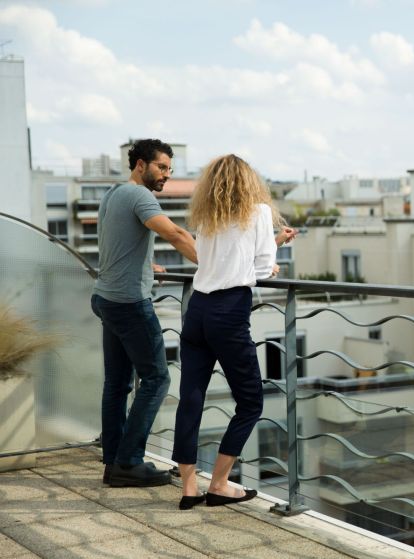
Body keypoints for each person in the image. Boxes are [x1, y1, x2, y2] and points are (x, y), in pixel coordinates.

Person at [172, 154, 296, 509]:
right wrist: (274, 256)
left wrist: (273, 243)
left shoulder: (208, 215)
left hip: (197, 310)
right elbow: (258, 268)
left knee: (191, 400)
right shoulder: (257, 211)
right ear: (249, 181)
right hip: (229, 312)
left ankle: (188, 489)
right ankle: (221, 483)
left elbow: (223, 257)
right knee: (250, 401)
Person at [91, 138, 198, 487]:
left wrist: (145, 264)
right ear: (140, 165)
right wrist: (213, 264)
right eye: (161, 167)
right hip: (128, 302)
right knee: (156, 379)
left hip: (107, 296)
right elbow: (175, 233)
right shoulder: (141, 196)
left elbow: (115, 241)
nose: (166, 175)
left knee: (118, 383)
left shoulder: (113, 193)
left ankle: (113, 461)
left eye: (169, 168)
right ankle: (129, 462)